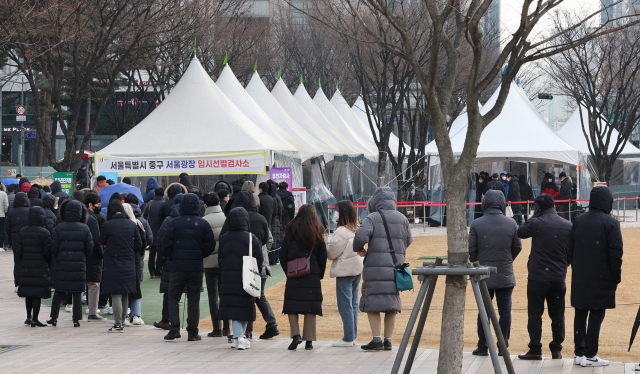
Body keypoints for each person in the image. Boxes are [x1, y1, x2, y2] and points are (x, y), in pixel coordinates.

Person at [568, 186, 622, 367]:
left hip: (580, 276)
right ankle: (590, 354)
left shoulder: (578, 221)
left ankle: (579, 352)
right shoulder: (611, 223)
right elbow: (616, 254)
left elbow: (569, 251)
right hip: (602, 276)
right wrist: (616, 277)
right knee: (597, 314)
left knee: (580, 313)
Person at [353, 187, 412, 351]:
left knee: (373, 301)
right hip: (396, 266)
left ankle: (376, 339)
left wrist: (359, 248)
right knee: (391, 303)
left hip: (375, 266)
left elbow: (359, 236)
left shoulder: (372, 217)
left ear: (376, 201)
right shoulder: (403, 219)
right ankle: (388, 340)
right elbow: (409, 240)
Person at [515, 194, 572, 360]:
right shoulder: (567, 225)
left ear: (538, 207)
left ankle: (535, 347)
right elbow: (571, 250)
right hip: (558, 276)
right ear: (553, 205)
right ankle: (556, 348)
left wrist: (534, 216)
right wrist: (564, 264)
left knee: (535, 314)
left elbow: (521, 232)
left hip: (537, 276)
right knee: (557, 314)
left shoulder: (536, 222)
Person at [469, 190, 522, 356]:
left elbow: (471, 249)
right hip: (505, 272)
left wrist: (478, 262)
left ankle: (483, 345)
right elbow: (517, 247)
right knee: (505, 311)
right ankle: (503, 345)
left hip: (483, 272)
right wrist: (507, 260)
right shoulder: (511, 223)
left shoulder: (476, 224)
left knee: (484, 310)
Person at [220, 190, 277, 340]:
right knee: (256, 295)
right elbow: (268, 239)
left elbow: (223, 243)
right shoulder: (261, 218)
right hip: (256, 265)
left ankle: (247, 332)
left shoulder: (231, 219)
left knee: (243, 299)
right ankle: (268, 324)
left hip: (235, 267)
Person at [163, 193, 215, 341]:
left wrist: (174, 256)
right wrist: (200, 254)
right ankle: (193, 332)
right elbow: (210, 244)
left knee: (173, 297)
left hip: (178, 266)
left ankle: (174, 329)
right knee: (193, 299)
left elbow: (166, 244)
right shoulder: (203, 223)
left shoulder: (174, 223)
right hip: (196, 266)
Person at [280, 204, 327, 351]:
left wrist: (287, 269)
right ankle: (309, 340)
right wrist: (319, 274)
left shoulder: (291, 229)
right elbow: (322, 256)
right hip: (312, 272)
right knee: (310, 307)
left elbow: (282, 254)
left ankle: (295, 335)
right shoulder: (318, 230)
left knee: (292, 306)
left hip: (294, 273)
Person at [218, 207, 263, 350]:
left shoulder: (224, 237)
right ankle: (240, 337)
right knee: (244, 308)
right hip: (246, 277)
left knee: (234, 308)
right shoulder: (251, 237)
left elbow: (220, 258)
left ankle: (239, 337)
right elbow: (259, 259)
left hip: (228, 277)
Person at [48, 199, 93, 327]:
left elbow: (54, 247)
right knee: (77, 292)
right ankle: (76, 319)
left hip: (62, 263)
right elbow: (89, 247)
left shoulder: (59, 227)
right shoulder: (84, 228)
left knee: (59, 291)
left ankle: (54, 317)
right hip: (79, 264)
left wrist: (60, 256)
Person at [100, 201, 142, 333]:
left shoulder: (108, 225)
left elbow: (101, 241)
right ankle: (123, 321)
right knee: (125, 293)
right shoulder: (131, 224)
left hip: (113, 262)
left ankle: (118, 324)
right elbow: (139, 244)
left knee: (116, 294)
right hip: (129, 262)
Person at [328, 200, 363, 347]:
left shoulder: (341, 231)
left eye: (336, 210)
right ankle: (352, 336)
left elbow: (331, 253)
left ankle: (348, 338)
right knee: (353, 304)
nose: (334, 213)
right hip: (356, 269)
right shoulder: (357, 228)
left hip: (344, 271)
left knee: (345, 305)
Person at [15, 206, 52, 327]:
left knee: (28, 292)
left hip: (26, 264)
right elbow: (48, 252)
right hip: (40, 266)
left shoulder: (23, 231)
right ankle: (35, 318)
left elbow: (18, 251)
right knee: (37, 293)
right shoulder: (44, 233)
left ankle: (28, 317)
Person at [153, 194, 183, 330]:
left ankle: (167, 320)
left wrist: (162, 261)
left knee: (170, 293)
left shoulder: (168, 220)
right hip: (189, 262)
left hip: (170, 261)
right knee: (192, 296)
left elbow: (161, 242)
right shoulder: (193, 219)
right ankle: (192, 326)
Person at [202, 192, 229, 338]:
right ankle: (227, 328)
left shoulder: (204, 220)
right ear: (219, 203)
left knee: (213, 296)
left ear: (205, 205)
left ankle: (216, 328)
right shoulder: (226, 218)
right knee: (225, 294)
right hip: (225, 262)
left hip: (209, 263)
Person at [122, 202, 148, 326]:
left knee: (123, 286)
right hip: (135, 258)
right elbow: (143, 242)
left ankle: (124, 315)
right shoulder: (138, 224)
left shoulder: (117, 224)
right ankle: (136, 315)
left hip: (121, 258)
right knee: (136, 285)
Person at [83, 192, 106, 322]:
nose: (99, 207)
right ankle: (92, 311)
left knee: (81, 283)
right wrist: (101, 253)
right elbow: (96, 240)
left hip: (80, 254)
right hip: (92, 256)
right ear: (91, 205)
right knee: (94, 284)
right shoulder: (91, 219)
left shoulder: (81, 215)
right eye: (98, 205)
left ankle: (77, 310)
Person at [7, 192, 31, 292]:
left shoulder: (11, 212)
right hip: (29, 240)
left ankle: (18, 284)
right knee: (29, 262)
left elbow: (8, 228)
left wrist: (10, 241)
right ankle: (28, 282)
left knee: (17, 263)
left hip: (16, 240)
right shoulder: (30, 211)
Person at [143, 186, 165, 278]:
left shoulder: (150, 203)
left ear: (154, 194)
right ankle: (159, 272)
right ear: (163, 194)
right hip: (162, 231)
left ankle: (152, 272)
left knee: (152, 253)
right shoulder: (165, 204)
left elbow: (145, 216)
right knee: (160, 253)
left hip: (151, 231)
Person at [268, 180, 283, 265]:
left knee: (272, 239)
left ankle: (273, 258)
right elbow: (280, 210)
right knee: (276, 239)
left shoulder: (270, 197)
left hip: (271, 221)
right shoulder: (277, 197)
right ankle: (276, 258)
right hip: (276, 221)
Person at [0, 183, 8, 252]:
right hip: (1, 214)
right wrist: (4, 212)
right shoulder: (3, 194)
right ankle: (0, 246)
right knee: (1, 230)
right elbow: (6, 205)